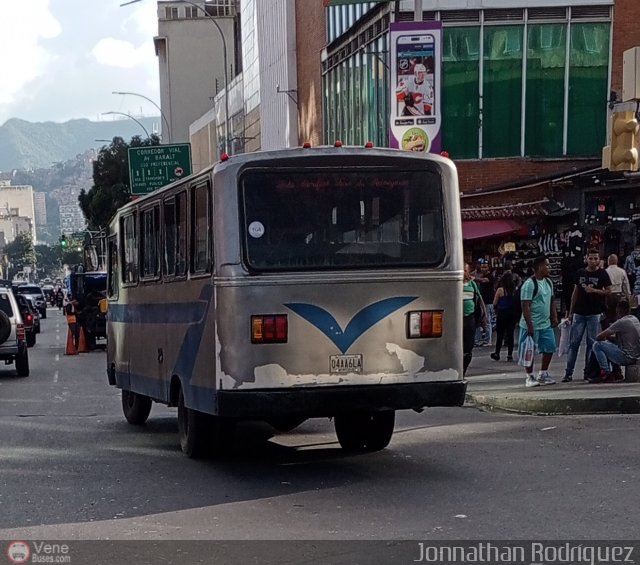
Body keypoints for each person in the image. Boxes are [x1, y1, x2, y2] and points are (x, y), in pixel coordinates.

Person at [562, 249, 612, 382]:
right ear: (586, 258)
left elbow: (608, 291)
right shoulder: (580, 273)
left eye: (596, 258)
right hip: (579, 313)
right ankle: (568, 373)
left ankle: (587, 371)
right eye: (591, 258)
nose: (593, 261)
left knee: (592, 343)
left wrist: (594, 290)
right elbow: (575, 292)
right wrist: (570, 312)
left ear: (599, 260)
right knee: (574, 344)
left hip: (594, 313)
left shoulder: (603, 273)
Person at [519, 255, 558, 387]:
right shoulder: (529, 284)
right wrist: (530, 325)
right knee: (529, 350)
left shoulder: (548, 282)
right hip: (532, 324)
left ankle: (543, 373)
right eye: (547, 265)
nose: (549, 267)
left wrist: (554, 316)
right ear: (540, 267)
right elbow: (525, 305)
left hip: (545, 324)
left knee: (550, 347)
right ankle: (529, 376)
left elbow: (552, 300)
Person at [589, 300, 640, 383]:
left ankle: (606, 373)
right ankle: (617, 372)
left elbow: (598, 337)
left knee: (597, 345)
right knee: (609, 344)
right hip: (635, 355)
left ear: (618, 311)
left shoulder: (621, 322)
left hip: (627, 357)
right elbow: (620, 339)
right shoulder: (634, 319)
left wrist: (606, 337)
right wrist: (608, 339)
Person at [462, 263, 487, 376]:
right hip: (457, 319)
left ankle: (463, 369)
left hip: (470, 317)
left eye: (466, 270)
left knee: (469, 346)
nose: (464, 272)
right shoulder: (455, 284)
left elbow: (479, 298)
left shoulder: (472, 284)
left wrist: (484, 314)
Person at [490, 270, 518, 362]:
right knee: (510, 334)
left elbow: (494, 303)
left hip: (502, 313)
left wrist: (497, 309)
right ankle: (509, 355)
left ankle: (497, 353)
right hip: (512, 314)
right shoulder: (514, 290)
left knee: (500, 334)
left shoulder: (500, 290)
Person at [471, 259, 495, 346]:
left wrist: (473, 278)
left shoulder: (490, 276)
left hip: (488, 302)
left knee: (487, 320)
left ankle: (488, 341)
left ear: (488, 267)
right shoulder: (481, 275)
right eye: (482, 267)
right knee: (480, 320)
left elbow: (484, 280)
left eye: (485, 267)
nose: (483, 269)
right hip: (481, 301)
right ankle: (479, 340)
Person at [605, 254, 631, 327]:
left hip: (608, 295)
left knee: (608, 315)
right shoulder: (622, 271)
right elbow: (626, 285)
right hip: (618, 295)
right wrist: (628, 297)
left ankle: (607, 334)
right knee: (618, 314)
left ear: (608, 261)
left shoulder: (605, 271)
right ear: (617, 261)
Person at [623, 241, 640, 307]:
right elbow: (625, 269)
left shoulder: (628, 257)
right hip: (633, 280)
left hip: (632, 280)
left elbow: (625, 269)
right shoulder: (629, 258)